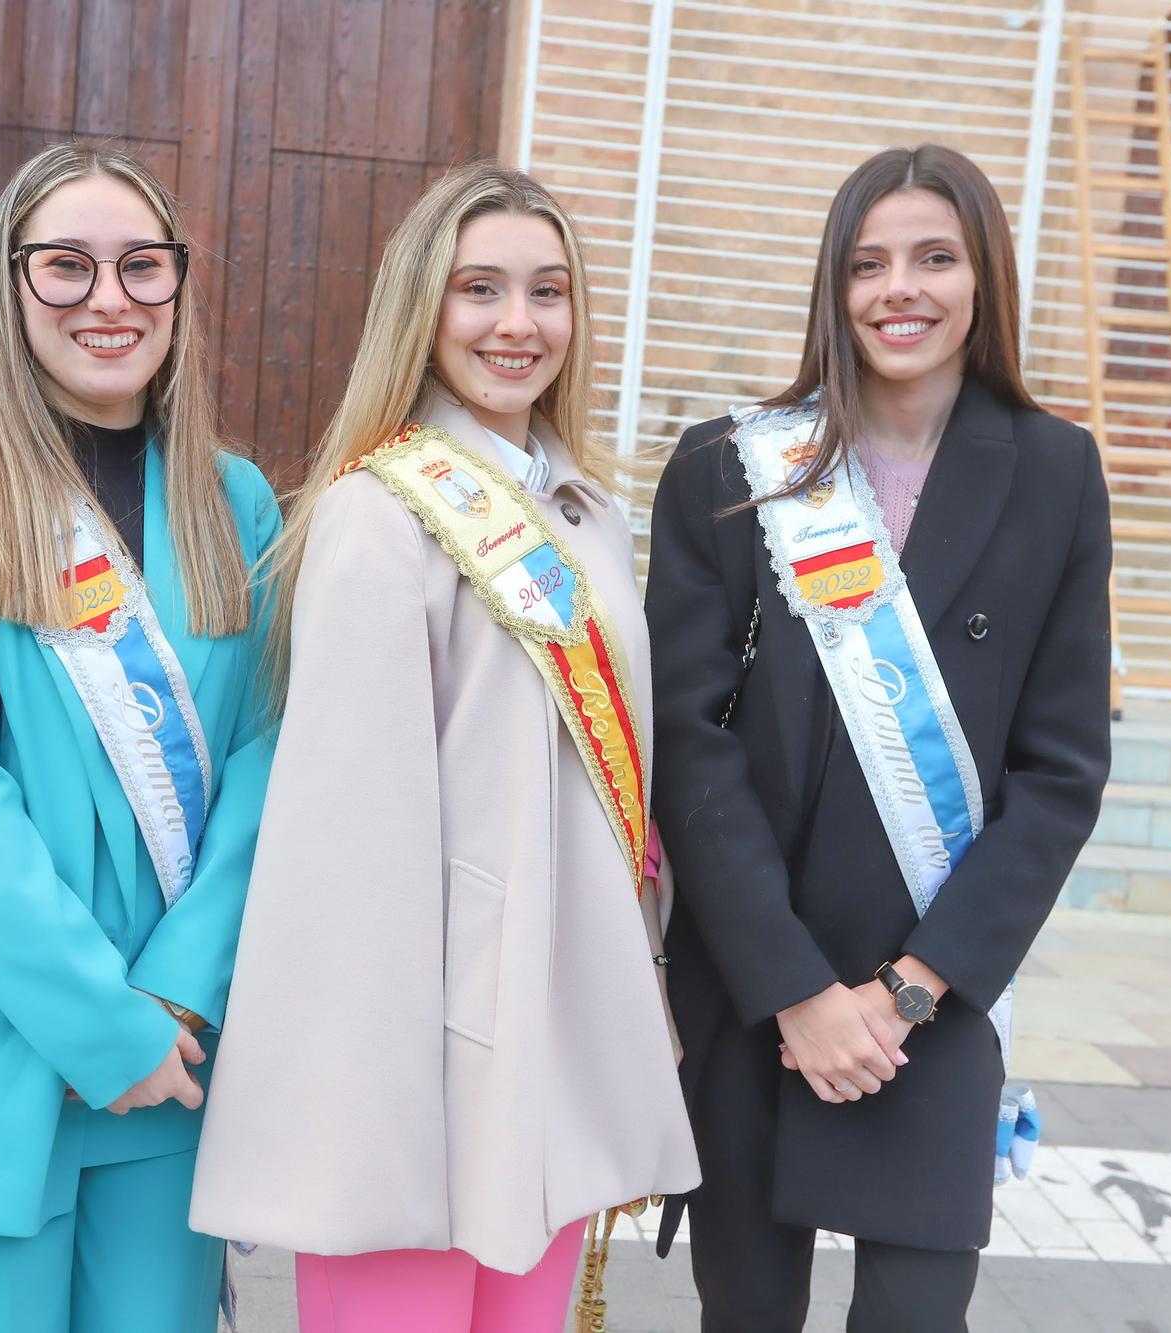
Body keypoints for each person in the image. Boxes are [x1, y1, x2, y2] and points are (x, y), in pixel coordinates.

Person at [191, 162, 698, 1333]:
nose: (517, 325)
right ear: (422, 308)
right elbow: (344, 852)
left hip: (558, 1033)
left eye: (547, 291)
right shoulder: (379, 516)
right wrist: (363, 1116)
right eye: (480, 289)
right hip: (421, 1063)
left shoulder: (588, 514)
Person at [644, 144, 1112, 1332]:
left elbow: (1058, 772)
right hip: (757, 986)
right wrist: (795, 989)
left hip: (931, 998)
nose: (898, 288)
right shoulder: (726, 465)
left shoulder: (1055, 470)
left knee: (915, 1312)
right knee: (741, 1311)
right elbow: (686, 746)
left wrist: (910, 987)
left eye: (932, 258)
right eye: (867, 263)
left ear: (982, 277)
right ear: (832, 286)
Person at [0, 141, 279, 1333]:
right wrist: (104, 1024)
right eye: (67, 267)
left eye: (143, 266)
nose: (110, 299)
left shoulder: (233, 499)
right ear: (8, 282)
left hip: (172, 1051)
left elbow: (262, 756)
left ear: (179, 286)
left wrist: (180, 996)